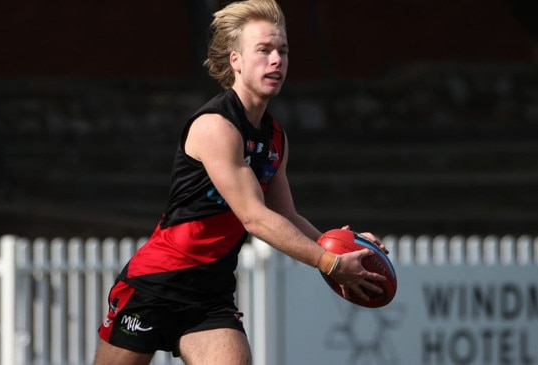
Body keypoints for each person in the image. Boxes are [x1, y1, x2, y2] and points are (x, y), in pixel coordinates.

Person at [93, 1, 388, 364]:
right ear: (235, 60)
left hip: (209, 297)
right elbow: (255, 217)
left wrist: (344, 248)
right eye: (263, 51)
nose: (276, 60)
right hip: (155, 284)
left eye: (282, 51)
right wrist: (328, 263)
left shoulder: (275, 137)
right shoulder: (216, 127)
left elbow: (287, 216)